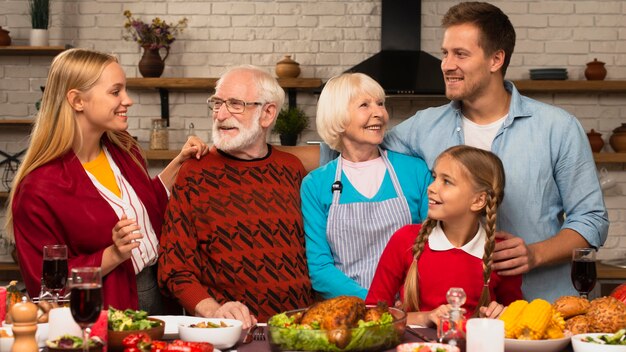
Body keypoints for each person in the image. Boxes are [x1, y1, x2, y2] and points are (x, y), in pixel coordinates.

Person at [321, 2, 608, 302]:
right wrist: (284, 157)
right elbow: (358, 149)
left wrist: (535, 254)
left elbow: (591, 219)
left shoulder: (557, 128)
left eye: (460, 54)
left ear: (496, 59)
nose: (446, 64)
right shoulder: (423, 127)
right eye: (445, 53)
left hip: (541, 311)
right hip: (454, 317)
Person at [7, 48, 208, 312]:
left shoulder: (124, 148)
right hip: (108, 310)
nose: (128, 100)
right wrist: (112, 255)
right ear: (77, 100)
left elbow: (145, 205)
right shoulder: (38, 189)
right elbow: (45, 284)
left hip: (161, 294)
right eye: (116, 92)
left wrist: (178, 164)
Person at [158, 65, 313, 328]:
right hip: (229, 333)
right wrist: (214, 311)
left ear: (267, 113)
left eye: (235, 104)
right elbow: (174, 268)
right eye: (217, 103)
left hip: (299, 330)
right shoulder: (195, 173)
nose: (220, 114)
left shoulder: (292, 169)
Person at [301, 73, 432, 300]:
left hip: (410, 305)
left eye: (380, 104)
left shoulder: (415, 171)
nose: (379, 113)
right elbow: (320, 268)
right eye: (365, 105)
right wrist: (375, 302)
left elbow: (434, 245)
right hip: (348, 311)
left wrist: (403, 303)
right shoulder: (315, 185)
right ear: (338, 118)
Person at [366, 145, 522, 326]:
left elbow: (515, 320)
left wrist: (504, 314)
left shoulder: (502, 253)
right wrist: (425, 317)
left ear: (478, 200)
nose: (431, 187)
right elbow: (372, 312)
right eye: (434, 177)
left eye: (446, 181)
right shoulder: (405, 240)